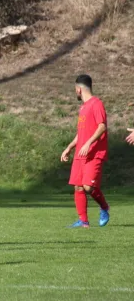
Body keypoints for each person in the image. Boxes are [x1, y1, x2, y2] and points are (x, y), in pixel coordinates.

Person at [61, 74, 110, 228]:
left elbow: (102, 126)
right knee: (78, 186)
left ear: (78, 89)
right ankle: (83, 222)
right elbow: (81, 133)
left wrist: (89, 143)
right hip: (81, 153)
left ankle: (104, 207)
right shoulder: (83, 108)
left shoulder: (96, 104)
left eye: (75, 90)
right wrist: (69, 147)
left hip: (94, 153)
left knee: (88, 187)